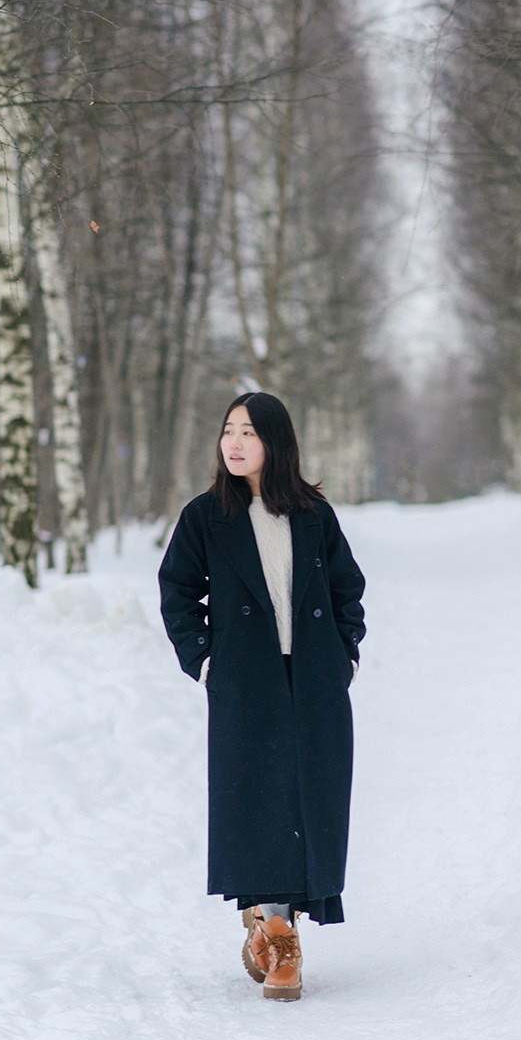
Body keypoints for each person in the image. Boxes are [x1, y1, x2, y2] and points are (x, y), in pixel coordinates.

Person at [158, 391, 366, 1001]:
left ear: (275, 443)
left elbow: (348, 585)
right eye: (228, 431)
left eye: (248, 432)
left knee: (309, 800)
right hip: (245, 683)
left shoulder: (313, 515)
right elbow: (177, 592)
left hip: (314, 681)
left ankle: (275, 925)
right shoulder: (205, 517)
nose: (234, 442)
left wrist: (344, 651)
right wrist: (203, 660)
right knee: (259, 800)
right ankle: (277, 934)